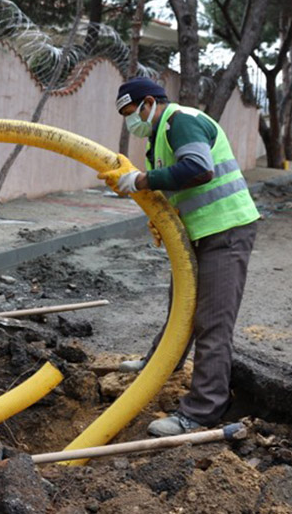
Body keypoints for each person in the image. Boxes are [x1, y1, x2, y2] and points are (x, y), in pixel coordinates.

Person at [99, 77, 260, 437]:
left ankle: (202, 411)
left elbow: (199, 169)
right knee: (181, 306)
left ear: (149, 102)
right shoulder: (159, 136)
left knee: (212, 322)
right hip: (202, 233)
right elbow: (178, 182)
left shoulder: (179, 121)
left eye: (131, 112)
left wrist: (143, 180)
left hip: (226, 231)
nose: (130, 121)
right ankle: (161, 363)